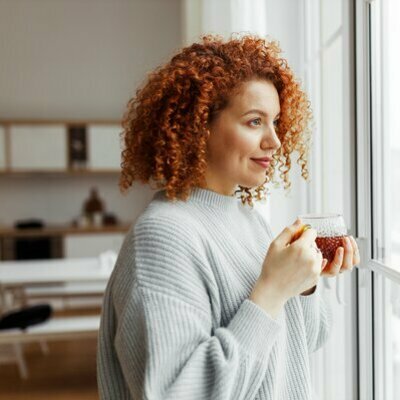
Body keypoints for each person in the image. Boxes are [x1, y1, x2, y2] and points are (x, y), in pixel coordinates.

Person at [96, 33, 360, 400]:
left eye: (276, 122)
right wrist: (270, 291)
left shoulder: (248, 220)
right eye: (255, 122)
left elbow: (304, 342)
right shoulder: (163, 237)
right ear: (199, 125)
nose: (275, 141)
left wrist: (305, 282)